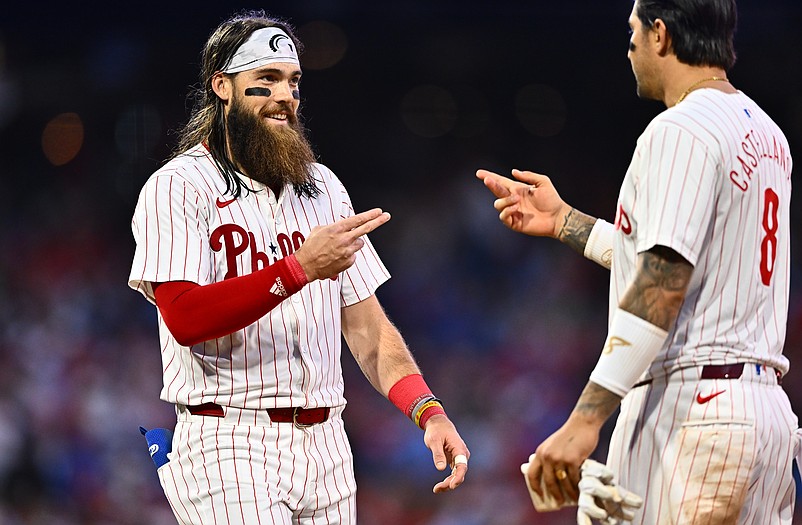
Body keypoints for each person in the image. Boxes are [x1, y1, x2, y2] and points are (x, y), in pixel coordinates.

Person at [128, 10, 469, 524]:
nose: (284, 95)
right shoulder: (178, 186)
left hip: (328, 442)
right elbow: (184, 318)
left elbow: (368, 328)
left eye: (291, 82)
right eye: (264, 81)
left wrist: (428, 410)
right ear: (222, 87)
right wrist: (297, 269)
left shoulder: (323, 187)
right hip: (229, 437)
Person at [478, 0, 796, 522]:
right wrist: (565, 222)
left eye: (633, 30)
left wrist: (585, 420)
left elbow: (664, 280)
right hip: (764, 416)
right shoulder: (767, 133)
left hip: (692, 411)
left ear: (661, 34)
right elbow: (681, 260)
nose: (627, 46)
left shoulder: (679, 129)